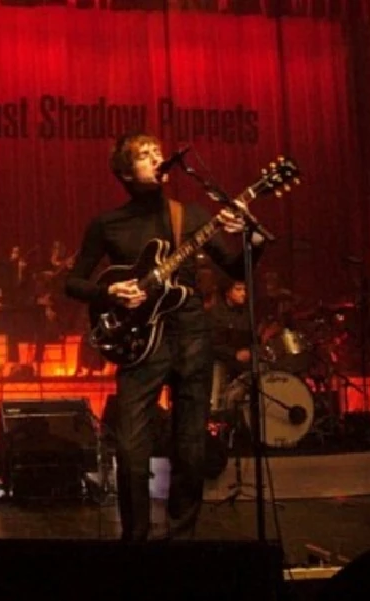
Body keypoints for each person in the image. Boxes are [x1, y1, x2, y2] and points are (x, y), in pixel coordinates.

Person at [65, 133, 264, 541]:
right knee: (130, 446)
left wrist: (251, 237)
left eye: (157, 151)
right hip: (139, 340)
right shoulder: (108, 223)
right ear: (124, 172)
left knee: (191, 446)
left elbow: (236, 269)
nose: (157, 156)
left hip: (190, 329)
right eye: (144, 155)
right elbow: (72, 282)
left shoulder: (188, 215)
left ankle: (181, 539)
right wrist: (109, 291)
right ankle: (135, 539)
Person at [208, 279, 252, 412]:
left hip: (242, 365)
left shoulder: (246, 313)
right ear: (228, 292)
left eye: (244, 290)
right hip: (221, 361)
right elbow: (212, 344)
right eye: (238, 290)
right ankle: (217, 409)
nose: (243, 293)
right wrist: (234, 354)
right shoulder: (216, 313)